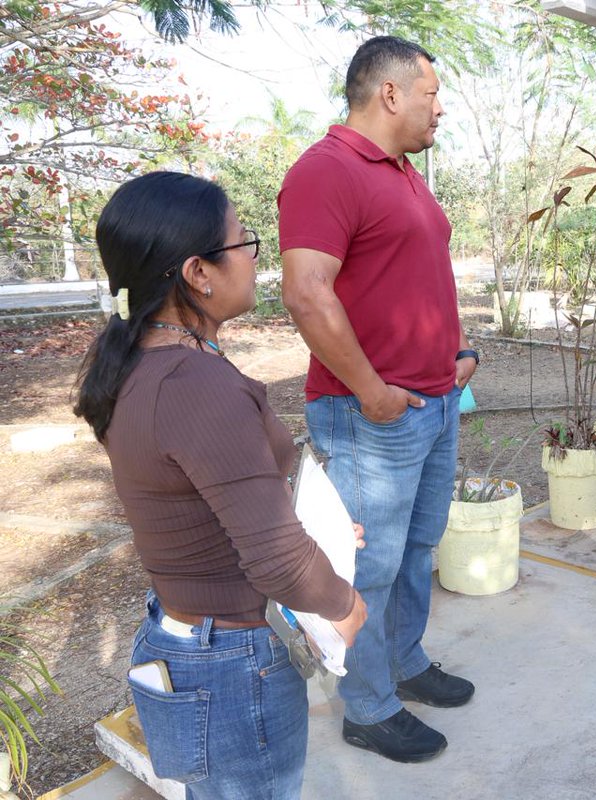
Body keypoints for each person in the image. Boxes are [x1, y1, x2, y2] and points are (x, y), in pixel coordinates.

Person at [73, 171, 368, 800]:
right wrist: (344, 603)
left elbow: (209, 500)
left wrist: (324, 528)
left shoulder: (144, 364)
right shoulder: (195, 386)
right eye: (244, 243)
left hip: (194, 639)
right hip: (232, 662)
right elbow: (277, 560)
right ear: (198, 273)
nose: (257, 259)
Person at [278, 36, 477, 762]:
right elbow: (305, 293)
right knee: (371, 564)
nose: (440, 106)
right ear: (389, 93)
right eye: (431, 92)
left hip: (433, 402)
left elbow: (412, 280)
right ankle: (365, 705)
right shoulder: (325, 170)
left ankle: (406, 662)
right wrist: (372, 391)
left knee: (419, 546)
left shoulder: (405, 175)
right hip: (371, 416)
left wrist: (458, 352)